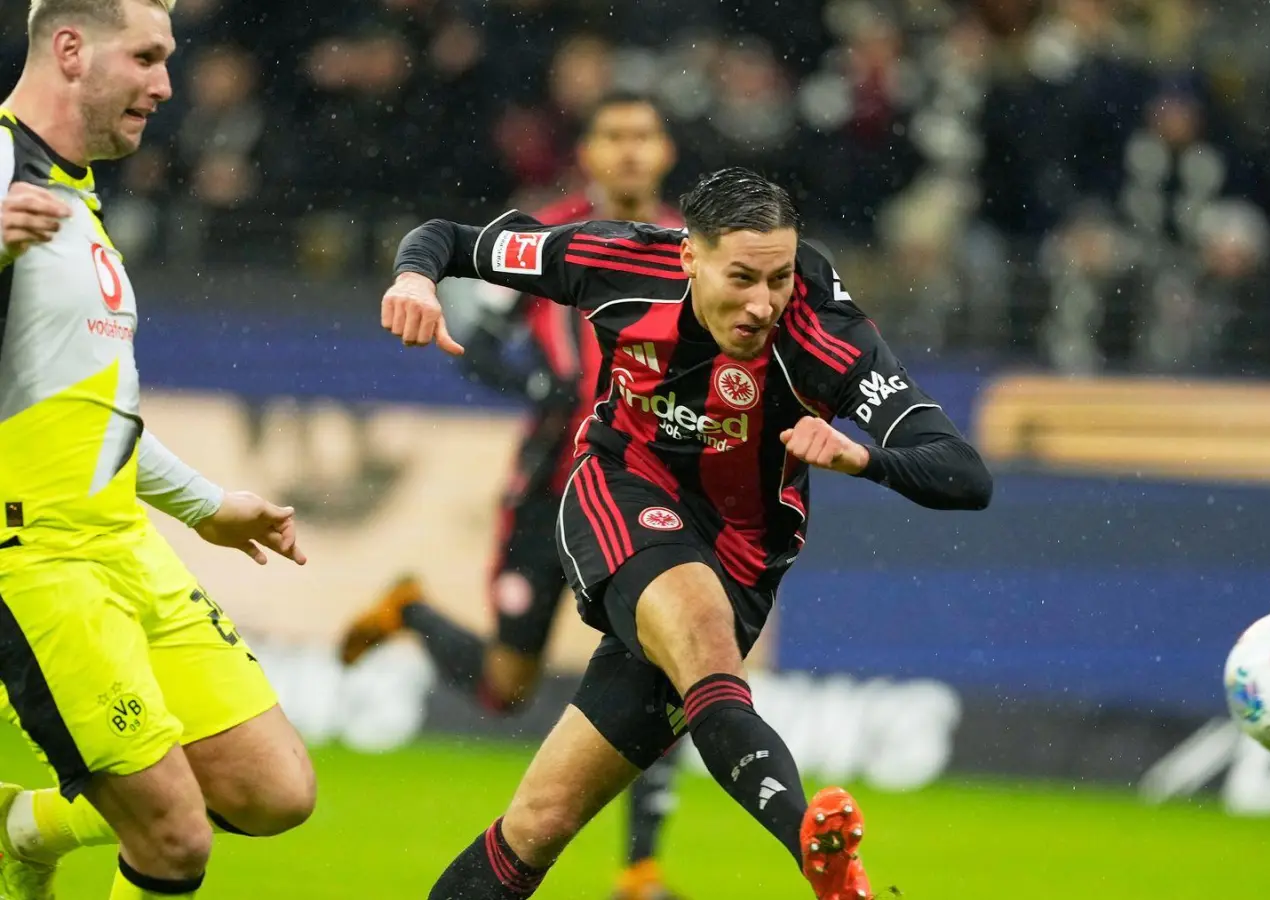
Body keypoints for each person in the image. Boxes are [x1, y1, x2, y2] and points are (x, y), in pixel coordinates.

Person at [381, 166, 993, 900]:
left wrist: (863, 457)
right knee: (701, 636)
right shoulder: (614, 260)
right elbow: (447, 240)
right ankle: (821, 861)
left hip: (743, 561)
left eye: (778, 278)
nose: (762, 303)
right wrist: (414, 280)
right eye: (741, 278)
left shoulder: (827, 336)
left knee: (538, 822)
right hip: (622, 490)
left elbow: (963, 474)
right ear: (688, 256)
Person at [338, 91, 689, 900]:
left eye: (645, 135)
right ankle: (412, 611)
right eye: (614, 136)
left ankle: (640, 867)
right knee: (506, 689)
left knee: (665, 658)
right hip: (549, 486)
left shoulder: (692, 246)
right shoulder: (541, 238)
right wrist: (539, 378)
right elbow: (472, 328)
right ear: (590, 153)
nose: (631, 151)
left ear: (665, 152)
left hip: (647, 488)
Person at [0, 3, 316, 899]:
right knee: (176, 840)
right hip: (31, 560)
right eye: (145, 57)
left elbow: (93, 412)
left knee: (273, 790)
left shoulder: (76, 200)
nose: (166, 85)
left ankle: (24, 827)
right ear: (70, 49)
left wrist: (206, 505)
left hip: (120, 547)